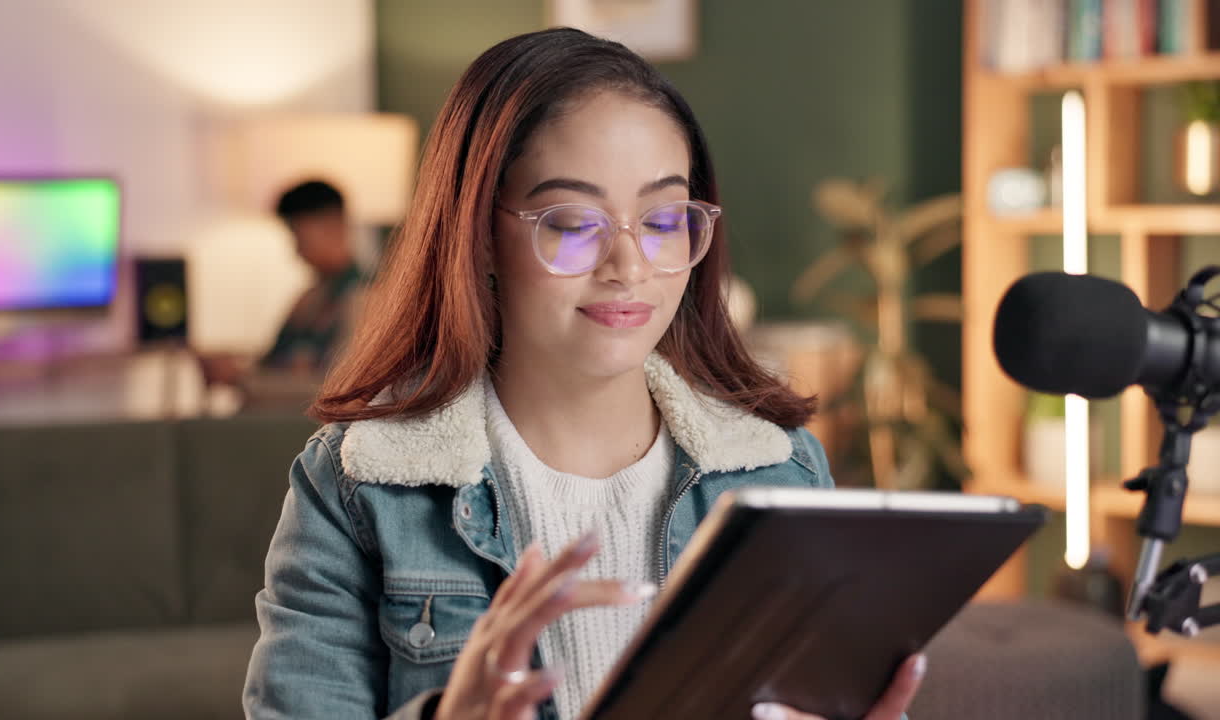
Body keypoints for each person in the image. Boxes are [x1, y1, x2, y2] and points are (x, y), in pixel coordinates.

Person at [242, 28, 926, 720]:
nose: (629, 267)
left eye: (662, 219)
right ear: (478, 232)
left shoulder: (782, 473)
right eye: (573, 222)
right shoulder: (361, 488)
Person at [198, 179, 365, 389]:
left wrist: (239, 377)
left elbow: (337, 388)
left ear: (332, 224)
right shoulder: (307, 299)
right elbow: (273, 364)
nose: (297, 252)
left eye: (299, 238)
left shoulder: (366, 299)